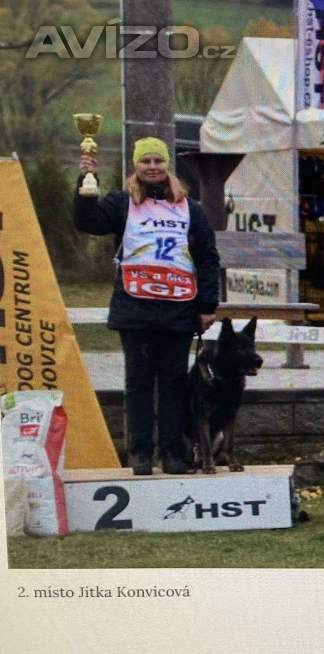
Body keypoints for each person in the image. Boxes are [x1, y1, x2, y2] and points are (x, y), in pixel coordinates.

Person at [74, 138, 220, 475]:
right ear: (136, 166)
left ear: (167, 165)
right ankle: (140, 454)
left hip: (178, 308)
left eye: (158, 160)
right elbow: (88, 223)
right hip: (135, 307)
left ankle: (173, 454)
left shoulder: (190, 208)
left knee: (173, 384)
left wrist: (208, 304)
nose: (152, 167)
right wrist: (86, 183)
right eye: (145, 161)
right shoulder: (122, 202)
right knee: (138, 383)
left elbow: (207, 258)